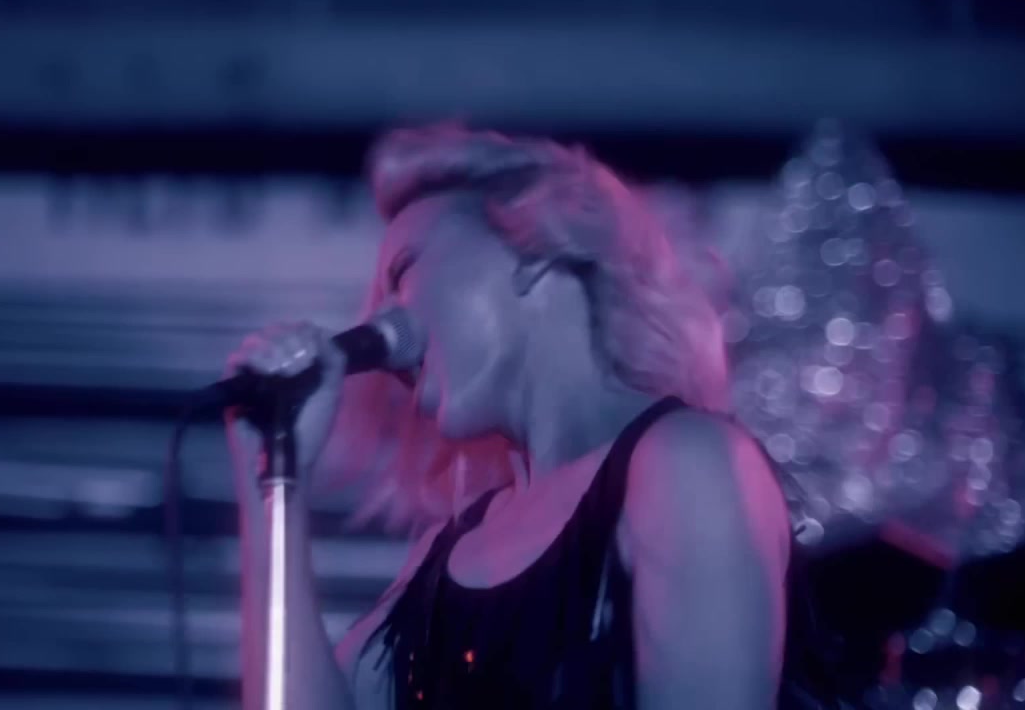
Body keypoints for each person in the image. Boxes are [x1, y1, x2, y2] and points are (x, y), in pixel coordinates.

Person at [225, 126, 796, 709]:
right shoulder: (444, 555)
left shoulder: (688, 462)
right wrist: (265, 476)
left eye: (404, 271)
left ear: (533, 245)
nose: (380, 325)